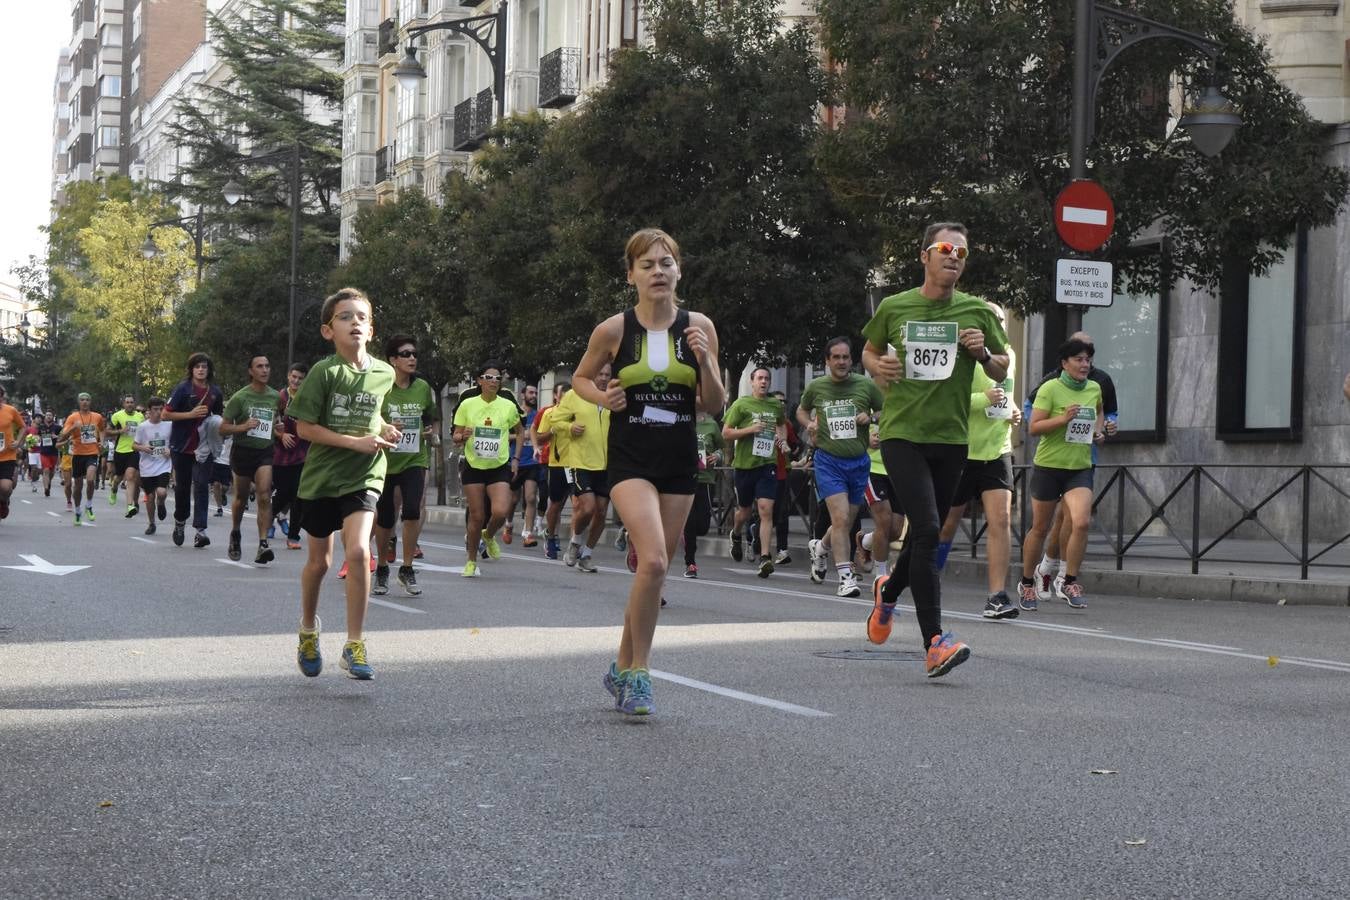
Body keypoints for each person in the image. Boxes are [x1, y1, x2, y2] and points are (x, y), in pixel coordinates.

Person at [572, 227, 724, 716]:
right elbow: (579, 378)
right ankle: (640, 675)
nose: (658, 272)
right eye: (647, 265)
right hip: (631, 460)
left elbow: (714, 403)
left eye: (666, 263)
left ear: (678, 271)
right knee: (653, 562)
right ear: (631, 275)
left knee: (655, 574)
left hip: (679, 460)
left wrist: (705, 360)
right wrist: (603, 396)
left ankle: (620, 665)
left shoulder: (698, 325)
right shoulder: (614, 330)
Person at [860, 221, 1009, 678]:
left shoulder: (977, 312)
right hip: (903, 435)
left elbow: (1002, 370)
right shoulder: (895, 305)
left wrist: (984, 355)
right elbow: (869, 350)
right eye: (945, 248)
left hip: (952, 439)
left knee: (930, 534)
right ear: (924, 255)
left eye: (962, 253)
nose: (954, 257)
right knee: (926, 527)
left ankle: (888, 593)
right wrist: (878, 366)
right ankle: (934, 642)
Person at [288, 287, 400, 680]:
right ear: (327, 331)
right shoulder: (324, 372)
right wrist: (354, 441)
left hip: (364, 473)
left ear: (371, 330)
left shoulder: (385, 372)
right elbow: (303, 427)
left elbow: (376, 413)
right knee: (319, 563)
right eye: (345, 316)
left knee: (357, 552)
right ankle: (307, 630)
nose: (355, 322)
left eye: (362, 317)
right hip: (322, 478)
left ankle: (354, 644)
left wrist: (385, 428)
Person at [936, 300, 1022, 619]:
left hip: (997, 449)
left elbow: (1006, 393)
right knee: (947, 525)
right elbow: (945, 401)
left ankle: (996, 596)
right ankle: (928, 581)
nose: (998, 325)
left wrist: (1013, 412)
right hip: (960, 449)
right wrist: (981, 400)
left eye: (1001, 320)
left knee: (1000, 522)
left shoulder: (1007, 355)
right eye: (991, 319)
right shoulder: (961, 355)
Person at [1025, 331, 1119, 601]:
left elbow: (1101, 411)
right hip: (1049, 465)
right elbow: (1034, 427)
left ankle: (1069, 580)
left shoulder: (1096, 386)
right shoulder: (1050, 386)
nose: (1085, 364)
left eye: (1088, 359)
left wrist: (1101, 431)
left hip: (1080, 465)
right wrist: (1063, 420)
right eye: (1079, 359)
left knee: (1080, 522)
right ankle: (1028, 580)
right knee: (1042, 527)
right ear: (1064, 362)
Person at [799, 337, 886, 598]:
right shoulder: (817, 387)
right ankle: (846, 577)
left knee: (845, 523)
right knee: (840, 519)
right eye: (836, 357)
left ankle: (820, 548)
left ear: (852, 360)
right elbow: (801, 411)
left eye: (845, 357)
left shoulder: (865, 385)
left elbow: (885, 410)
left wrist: (869, 417)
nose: (841, 362)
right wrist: (809, 424)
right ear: (827, 361)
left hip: (858, 461)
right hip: (829, 461)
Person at [373, 335, 437, 596]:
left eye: (414, 354)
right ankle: (381, 567)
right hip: (385, 461)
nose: (412, 358)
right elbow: (369, 420)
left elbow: (430, 419)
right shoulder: (382, 388)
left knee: (411, 510)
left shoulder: (422, 387)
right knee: (386, 517)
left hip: (414, 458)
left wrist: (429, 433)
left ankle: (407, 567)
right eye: (406, 354)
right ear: (393, 360)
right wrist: (386, 428)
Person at [452, 361, 522, 577]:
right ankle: (471, 561)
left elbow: (520, 431)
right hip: (474, 465)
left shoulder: (508, 406)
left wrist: (516, 458)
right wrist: (461, 436)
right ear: (479, 380)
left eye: (498, 378)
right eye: (489, 377)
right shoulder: (467, 404)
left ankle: (489, 535)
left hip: (498, 464)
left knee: (501, 510)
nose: (494, 381)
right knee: (476, 515)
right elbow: (455, 436)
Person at [723, 367, 787, 577]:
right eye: (759, 378)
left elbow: (781, 425)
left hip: (767, 463)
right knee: (745, 512)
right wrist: (750, 430)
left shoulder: (774, 404)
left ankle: (765, 557)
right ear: (752, 382)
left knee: (765, 509)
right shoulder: (741, 404)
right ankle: (736, 532)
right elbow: (726, 433)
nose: (764, 382)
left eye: (767, 378)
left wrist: (782, 439)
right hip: (744, 466)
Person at [221, 354, 281, 564]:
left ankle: (263, 544)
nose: (265, 370)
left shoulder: (275, 396)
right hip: (243, 451)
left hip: (264, 451)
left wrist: (279, 429)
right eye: (259, 366)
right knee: (240, 499)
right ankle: (235, 532)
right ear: (251, 371)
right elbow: (223, 427)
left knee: (264, 494)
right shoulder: (240, 397)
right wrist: (243, 427)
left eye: (267, 366)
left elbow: (276, 421)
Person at [553, 367, 613, 573]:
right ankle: (575, 542)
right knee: (587, 507)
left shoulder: (613, 397)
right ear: (591, 374)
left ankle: (586, 555)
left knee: (602, 511)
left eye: (607, 375)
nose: (604, 378)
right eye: (600, 374)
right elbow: (555, 420)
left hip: (606, 464)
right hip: (581, 461)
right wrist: (570, 428)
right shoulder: (574, 394)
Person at [164, 353, 225, 548]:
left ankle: (200, 530)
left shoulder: (215, 392)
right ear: (191, 369)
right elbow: (166, 414)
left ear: (209, 370)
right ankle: (180, 522)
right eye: (197, 366)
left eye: (204, 367)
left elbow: (219, 418)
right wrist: (190, 414)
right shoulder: (183, 389)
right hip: (181, 446)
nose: (201, 370)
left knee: (201, 486)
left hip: (203, 448)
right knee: (182, 488)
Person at [682, 407, 725, 577]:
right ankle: (690, 562)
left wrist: (717, 456)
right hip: (686, 478)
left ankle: (685, 534)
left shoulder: (711, 424)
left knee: (703, 526)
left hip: (706, 479)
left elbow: (722, 448)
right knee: (690, 522)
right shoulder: (683, 419)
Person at [271, 362, 310, 550]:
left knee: (298, 497)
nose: (296, 381)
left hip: (302, 454)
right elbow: (268, 424)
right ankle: (268, 518)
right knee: (283, 494)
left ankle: (293, 536)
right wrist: (281, 435)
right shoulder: (279, 397)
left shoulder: (308, 400)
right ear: (288, 376)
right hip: (280, 456)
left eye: (300, 378)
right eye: (294, 377)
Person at [532, 382, 571, 559]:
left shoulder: (579, 412)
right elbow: (537, 434)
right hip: (555, 463)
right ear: (555, 396)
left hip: (579, 463)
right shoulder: (548, 412)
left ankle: (574, 544)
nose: (565, 397)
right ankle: (551, 534)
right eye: (562, 394)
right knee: (556, 504)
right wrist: (553, 431)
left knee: (579, 504)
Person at [58, 392, 106, 525]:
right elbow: (63, 436)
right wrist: (73, 427)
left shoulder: (97, 417)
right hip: (77, 454)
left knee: (90, 480)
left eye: (87, 400)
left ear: (90, 402)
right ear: (79, 402)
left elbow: (102, 429)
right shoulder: (72, 417)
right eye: (82, 400)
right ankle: (78, 511)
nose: (85, 402)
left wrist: (101, 441)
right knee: (78, 487)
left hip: (92, 453)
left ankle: (89, 505)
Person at [508, 383, 544, 548]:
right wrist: (523, 436)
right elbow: (504, 436)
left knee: (530, 497)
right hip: (516, 461)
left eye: (535, 393)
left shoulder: (539, 416)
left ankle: (528, 533)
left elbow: (542, 435)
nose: (533, 395)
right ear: (523, 395)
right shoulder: (514, 414)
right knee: (513, 499)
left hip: (532, 462)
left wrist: (537, 437)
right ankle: (508, 524)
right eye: (530, 392)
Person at [131, 397, 172, 534]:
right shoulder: (143, 427)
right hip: (147, 467)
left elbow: (175, 444)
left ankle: (161, 503)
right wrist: (144, 448)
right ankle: (151, 523)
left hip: (163, 465)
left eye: (161, 409)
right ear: (149, 410)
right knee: (150, 497)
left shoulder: (169, 425)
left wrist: (170, 450)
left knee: (161, 492)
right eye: (155, 409)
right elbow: (134, 445)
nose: (158, 412)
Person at [107, 395, 144, 518]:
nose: (129, 404)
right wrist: (120, 431)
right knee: (119, 477)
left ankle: (130, 506)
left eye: (131, 402)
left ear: (134, 404)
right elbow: (107, 431)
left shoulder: (140, 416)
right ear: (123, 404)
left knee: (130, 477)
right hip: (120, 451)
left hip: (134, 450)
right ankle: (114, 488)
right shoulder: (117, 416)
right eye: (127, 402)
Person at [0, 387, 23, 520]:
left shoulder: (10, 410)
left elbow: (23, 427)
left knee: (6, 488)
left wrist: (18, 442)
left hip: (7, 455)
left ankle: (3, 501)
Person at [35, 411, 60, 497]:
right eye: (47, 415)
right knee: (46, 470)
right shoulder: (41, 427)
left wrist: (56, 437)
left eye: (50, 415)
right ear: (45, 417)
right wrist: (37, 438)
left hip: (54, 452)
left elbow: (64, 436)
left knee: (52, 471)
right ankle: (46, 489)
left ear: (53, 417)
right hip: (44, 452)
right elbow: (37, 436)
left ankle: (48, 483)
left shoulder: (57, 427)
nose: (48, 416)